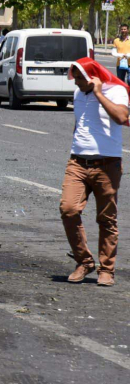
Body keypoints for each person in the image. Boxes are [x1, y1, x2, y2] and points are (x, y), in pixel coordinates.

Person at [60, 58, 129, 287]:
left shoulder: (116, 90)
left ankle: (106, 269)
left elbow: (121, 117)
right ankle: (84, 261)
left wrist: (99, 95)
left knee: (106, 218)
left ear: (93, 77)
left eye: (80, 78)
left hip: (107, 164)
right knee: (68, 209)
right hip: (78, 162)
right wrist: (74, 148)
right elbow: (79, 123)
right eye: (75, 78)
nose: (76, 82)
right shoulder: (78, 94)